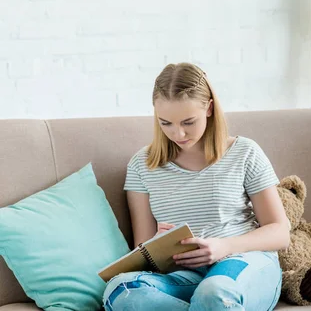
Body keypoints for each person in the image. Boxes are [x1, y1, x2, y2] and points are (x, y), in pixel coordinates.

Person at [103, 62, 289, 311]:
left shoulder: (244, 152)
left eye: (188, 122)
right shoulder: (142, 165)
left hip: (241, 263)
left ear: (209, 108)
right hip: (183, 276)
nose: (178, 133)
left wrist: (224, 246)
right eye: (166, 123)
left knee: (214, 292)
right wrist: (157, 244)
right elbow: (143, 247)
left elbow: (280, 232)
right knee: (122, 291)